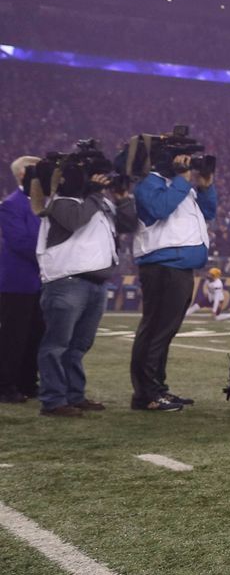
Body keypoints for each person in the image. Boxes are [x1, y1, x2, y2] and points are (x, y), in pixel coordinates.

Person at [37, 168, 137, 416]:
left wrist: (123, 198)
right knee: (57, 345)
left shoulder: (100, 203)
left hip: (95, 284)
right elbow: (74, 220)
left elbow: (128, 224)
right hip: (66, 281)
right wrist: (94, 194)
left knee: (79, 345)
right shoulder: (59, 202)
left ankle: (74, 395)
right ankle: (53, 400)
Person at [130, 139, 218, 412]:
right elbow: (158, 210)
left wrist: (205, 186)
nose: (188, 164)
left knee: (164, 331)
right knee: (156, 330)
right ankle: (148, 394)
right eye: (183, 159)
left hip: (179, 267)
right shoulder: (149, 182)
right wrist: (182, 180)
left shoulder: (182, 186)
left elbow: (209, 213)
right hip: (163, 265)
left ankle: (157, 388)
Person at [1, 155, 44, 403]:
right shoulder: (11, 204)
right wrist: (48, 255)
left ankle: (28, 382)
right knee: (13, 337)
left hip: (37, 281)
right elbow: (20, 242)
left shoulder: (39, 202)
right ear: (22, 175)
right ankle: (6, 385)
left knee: (35, 335)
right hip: (17, 282)